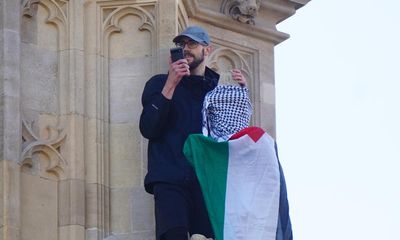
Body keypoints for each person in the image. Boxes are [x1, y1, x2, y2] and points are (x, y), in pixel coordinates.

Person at [139, 25, 247, 240]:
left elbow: (233, 136)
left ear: (207, 50)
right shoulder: (159, 83)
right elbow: (148, 128)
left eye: (192, 44)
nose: (186, 48)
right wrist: (171, 83)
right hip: (169, 178)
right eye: (182, 44)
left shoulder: (217, 92)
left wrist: (242, 97)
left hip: (206, 181)